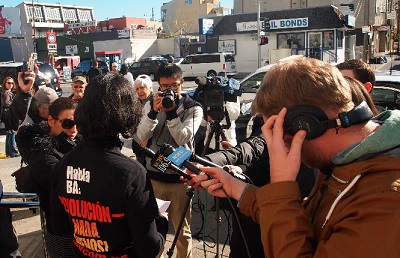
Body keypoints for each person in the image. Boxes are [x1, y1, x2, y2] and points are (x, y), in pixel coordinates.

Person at [189, 56, 400, 257]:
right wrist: (236, 188)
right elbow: (306, 224)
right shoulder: (347, 162)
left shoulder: (385, 200)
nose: (279, 145)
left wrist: (281, 185)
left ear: (306, 124)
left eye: (279, 134)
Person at [50, 72, 168, 257]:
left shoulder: (63, 164)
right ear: (127, 112)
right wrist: (161, 222)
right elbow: (149, 247)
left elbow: (58, 226)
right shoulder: (132, 173)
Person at [136, 63, 203, 258]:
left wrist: (172, 113)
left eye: (174, 86)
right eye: (164, 87)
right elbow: (141, 135)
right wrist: (153, 113)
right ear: (158, 86)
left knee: (182, 231)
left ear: (181, 82)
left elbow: (184, 138)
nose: (169, 91)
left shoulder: (193, 108)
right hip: (155, 177)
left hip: (180, 179)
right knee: (155, 229)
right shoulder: (151, 104)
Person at [16, 97, 78, 257]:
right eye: (68, 123)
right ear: (51, 120)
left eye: (79, 123)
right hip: (61, 230)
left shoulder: (78, 141)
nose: (74, 129)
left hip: (82, 227)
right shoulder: (41, 151)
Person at [132, 74, 153, 165]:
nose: (139, 91)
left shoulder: (157, 102)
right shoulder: (134, 104)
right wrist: (140, 140)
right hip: (139, 146)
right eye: (137, 89)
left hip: (154, 146)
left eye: (142, 88)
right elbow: (130, 126)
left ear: (150, 87)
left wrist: (146, 138)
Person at [1, 77, 19, 157]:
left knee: (9, 133)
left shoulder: (5, 92)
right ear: (5, 84)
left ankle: (9, 151)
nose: (11, 85)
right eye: (8, 83)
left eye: (12, 83)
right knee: (12, 132)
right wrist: (14, 102)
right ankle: (13, 151)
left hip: (6, 114)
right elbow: (6, 104)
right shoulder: (7, 93)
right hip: (8, 114)